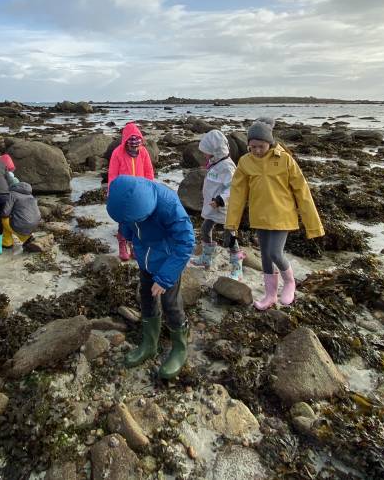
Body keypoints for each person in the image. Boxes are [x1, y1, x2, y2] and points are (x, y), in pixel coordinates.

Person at [224, 118, 324, 310]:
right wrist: (231, 225)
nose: (257, 150)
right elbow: (237, 195)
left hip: (282, 215)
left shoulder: (284, 159)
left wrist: (313, 225)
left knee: (275, 253)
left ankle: (290, 282)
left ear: (269, 143)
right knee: (265, 256)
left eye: (260, 146)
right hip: (260, 216)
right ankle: (270, 295)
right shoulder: (245, 162)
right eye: (252, 147)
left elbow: (302, 192)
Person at [106, 175, 194, 380]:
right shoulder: (126, 198)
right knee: (146, 297)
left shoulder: (169, 205)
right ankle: (149, 344)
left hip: (167, 261)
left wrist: (165, 278)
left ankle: (180, 348)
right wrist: (128, 236)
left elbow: (186, 242)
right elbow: (125, 222)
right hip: (145, 258)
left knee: (171, 304)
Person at [191, 129, 245, 280]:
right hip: (212, 207)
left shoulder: (227, 167)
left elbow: (233, 187)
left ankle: (237, 267)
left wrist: (220, 199)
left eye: (206, 153)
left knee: (230, 237)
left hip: (224, 208)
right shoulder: (215, 163)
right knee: (205, 229)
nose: (204, 155)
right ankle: (206, 258)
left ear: (215, 152)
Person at [107, 122, 155, 261]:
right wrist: (112, 192)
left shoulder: (143, 152)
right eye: (132, 146)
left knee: (138, 221)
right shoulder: (117, 153)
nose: (135, 149)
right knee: (124, 221)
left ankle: (134, 246)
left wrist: (150, 189)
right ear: (126, 142)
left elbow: (149, 172)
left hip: (140, 191)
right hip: (123, 192)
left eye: (137, 146)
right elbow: (112, 175)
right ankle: (122, 245)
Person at [1, 179, 42, 252]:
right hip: (34, 225)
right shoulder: (31, 196)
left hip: (20, 225)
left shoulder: (12, 194)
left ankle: (7, 242)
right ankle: (27, 238)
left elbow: (5, 213)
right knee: (17, 218)